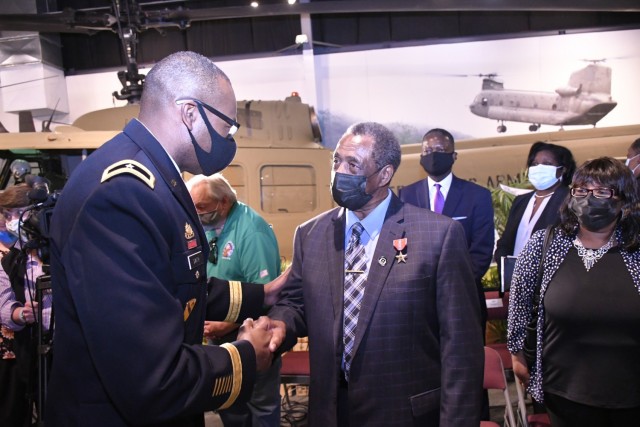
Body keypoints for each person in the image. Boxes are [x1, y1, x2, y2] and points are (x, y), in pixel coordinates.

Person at [46, 51, 286, 427]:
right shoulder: (123, 194)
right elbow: (151, 376)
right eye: (227, 125)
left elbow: (177, 283)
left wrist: (265, 295)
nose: (229, 139)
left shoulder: (160, 180)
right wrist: (245, 355)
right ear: (190, 112)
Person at [268, 122, 484, 426]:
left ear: (384, 174)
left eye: (353, 163)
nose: (339, 172)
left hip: (404, 413)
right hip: (331, 411)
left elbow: (460, 346)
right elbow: (297, 303)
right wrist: (280, 325)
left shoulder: (439, 235)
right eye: (336, 161)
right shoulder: (311, 234)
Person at [508, 157, 640, 427]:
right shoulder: (544, 244)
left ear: (624, 200)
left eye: (602, 191)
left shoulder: (636, 250)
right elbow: (520, 303)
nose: (590, 199)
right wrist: (517, 354)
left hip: (632, 396)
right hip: (565, 394)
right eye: (581, 190)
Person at [187, 173, 282, 427]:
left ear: (225, 202)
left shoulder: (252, 231)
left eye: (201, 207)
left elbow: (265, 294)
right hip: (218, 339)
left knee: (261, 406)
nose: (196, 213)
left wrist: (225, 324)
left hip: (252, 333)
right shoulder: (208, 227)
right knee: (229, 402)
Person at [399, 128, 494, 337]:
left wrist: (450, 283)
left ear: (454, 156)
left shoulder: (477, 196)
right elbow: (402, 243)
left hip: (463, 296)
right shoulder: (406, 195)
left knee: (465, 363)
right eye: (427, 150)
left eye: (440, 149)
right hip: (419, 299)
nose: (433, 154)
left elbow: (482, 251)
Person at [0, 184, 52, 427]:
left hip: (62, 352)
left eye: (16, 213)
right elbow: (4, 306)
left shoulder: (57, 252)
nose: (11, 221)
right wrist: (20, 314)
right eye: (7, 214)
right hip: (27, 352)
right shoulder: (12, 258)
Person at [494, 142, 577, 264]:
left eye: (547, 164)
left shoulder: (570, 200)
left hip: (550, 278)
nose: (539, 168)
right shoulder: (521, 201)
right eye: (535, 164)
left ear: (562, 170)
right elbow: (505, 242)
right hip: (513, 277)